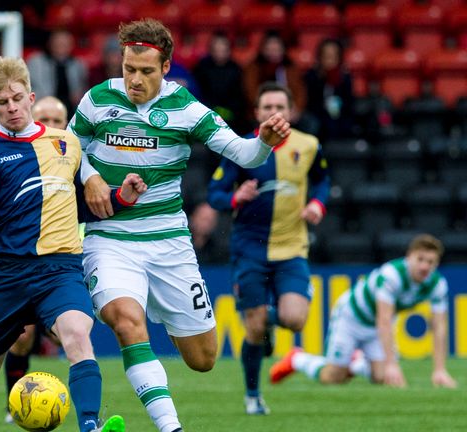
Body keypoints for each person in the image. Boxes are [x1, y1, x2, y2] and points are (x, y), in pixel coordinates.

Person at [71, 19, 291, 432]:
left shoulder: (186, 108)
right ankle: (171, 427)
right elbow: (67, 150)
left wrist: (263, 140)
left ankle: (163, 309)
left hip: (168, 242)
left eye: (146, 72)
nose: (134, 80)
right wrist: (91, 177)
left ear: (167, 67)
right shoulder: (96, 100)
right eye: (128, 69)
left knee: (203, 359)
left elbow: (245, 155)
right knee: (125, 321)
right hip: (110, 239)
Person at [0, 57, 146, 432]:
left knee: (78, 336)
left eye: (17, 98)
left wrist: (122, 198)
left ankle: (88, 426)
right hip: (8, 275)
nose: (12, 107)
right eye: (3, 103)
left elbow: (83, 207)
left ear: (30, 96)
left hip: (60, 269)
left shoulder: (68, 143)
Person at [207, 82, 329, 415]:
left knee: (295, 319)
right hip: (250, 250)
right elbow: (214, 193)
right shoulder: (242, 147)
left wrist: (318, 203)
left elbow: (321, 179)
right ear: (257, 113)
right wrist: (235, 197)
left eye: (280, 107)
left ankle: (270, 320)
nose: (274, 113)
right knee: (255, 329)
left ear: (291, 113)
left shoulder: (309, 145)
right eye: (267, 108)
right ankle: (252, 395)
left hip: (291, 248)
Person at [270, 234, 458, 389]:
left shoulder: (436, 284)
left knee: (382, 378)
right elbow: (384, 319)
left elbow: (439, 326)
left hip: (375, 326)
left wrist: (439, 369)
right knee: (333, 377)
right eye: (420, 259)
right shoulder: (391, 275)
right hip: (350, 318)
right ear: (409, 256)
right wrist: (392, 364)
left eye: (431, 262)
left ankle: (356, 361)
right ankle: (297, 358)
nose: (425, 266)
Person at [1, 95, 69, 424]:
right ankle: (15, 405)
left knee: (68, 334)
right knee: (22, 336)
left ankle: (85, 408)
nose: (51, 126)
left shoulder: (76, 160)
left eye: (57, 121)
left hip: (66, 267)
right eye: (44, 118)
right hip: (23, 265)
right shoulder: (14, 161)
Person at [242, 31, 306, 124]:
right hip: (262, 111)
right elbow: (251, 93)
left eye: (276, 49)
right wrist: (265, 110)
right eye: (269, 49)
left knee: (310, 123)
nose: (273, 52)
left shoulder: (290, 68)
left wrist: (296, 110)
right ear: (263, 50)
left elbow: (300, 92)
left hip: (287, 111)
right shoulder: (253, 68)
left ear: (283, 50)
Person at [192, 32, 247, 134]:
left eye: (223, 48)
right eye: (217, 48)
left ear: (229, 50)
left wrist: (227, 112)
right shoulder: (201, 68)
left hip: (233, 118)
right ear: (211, 49)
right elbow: (197, 93)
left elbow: (240, 96)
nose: (220, 51)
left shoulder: (236, 69)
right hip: (205, 115)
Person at [303, 38, 355, 142]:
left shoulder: (344, 76)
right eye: (326, 55)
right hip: (317, 115)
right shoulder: (311, 75)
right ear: (320, 56)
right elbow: (309, 102)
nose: (330, 59)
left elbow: (349, 102)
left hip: (340, 115)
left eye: (333, 56)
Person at [27, 30, 88, 114]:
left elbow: (81, 89)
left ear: (71, 45)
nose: (61, 46)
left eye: (65, 44)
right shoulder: (36, 62)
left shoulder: (78, 64)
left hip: (71, 109)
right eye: (58, 43)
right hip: (42, 107)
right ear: (50, 44)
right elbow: (32, 87)